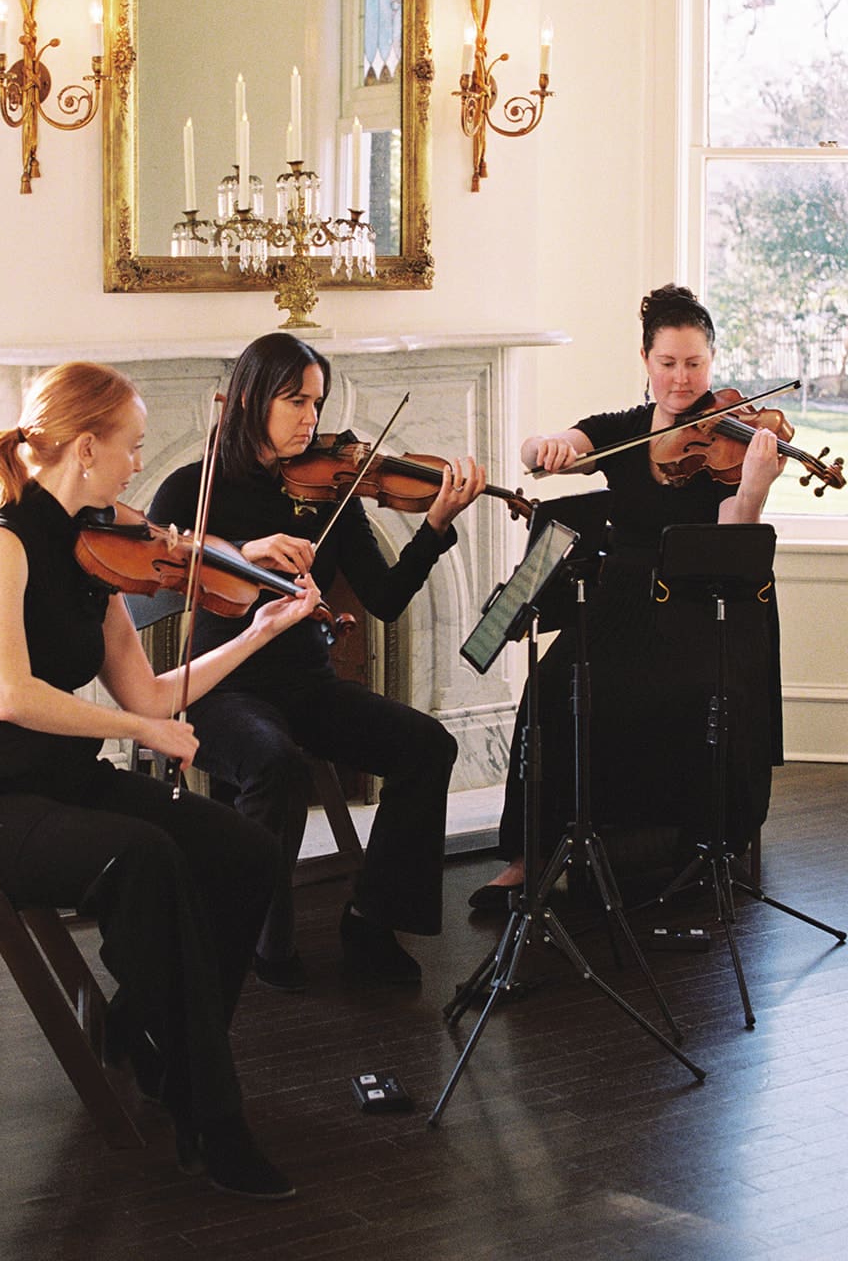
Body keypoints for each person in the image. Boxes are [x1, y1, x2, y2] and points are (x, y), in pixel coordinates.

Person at [0, 360, 323, 1199]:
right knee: (145, 855)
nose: (140, 466)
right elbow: (8, 693)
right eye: (132, 448)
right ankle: (210, 1116)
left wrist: (260, 628)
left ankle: (158, 1038)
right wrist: (137, 732)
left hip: (63, 784)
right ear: (84, 447)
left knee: (245, 851)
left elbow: (151, 692)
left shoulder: (92, 552)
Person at [149, 332, 485, 991]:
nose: (311, 420)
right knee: (271, 761)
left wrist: (437, 529)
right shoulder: (194, 484)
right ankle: (265, 945)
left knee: (427, 746)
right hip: (220, 689)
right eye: (295, 402)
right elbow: (161, 568)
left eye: (317, 403)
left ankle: (370, 918)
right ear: (251, 400)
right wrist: (245, 551)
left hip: (306, 684)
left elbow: (386, 598)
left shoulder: (332, 488)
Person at [469, 283, 786, 914]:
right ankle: (528, 858)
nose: (681, 378)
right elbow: (544, 450)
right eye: (668, 363)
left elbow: (733, 541)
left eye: (694, 363)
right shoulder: (621, 431)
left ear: (712, 361)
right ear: (645, 360)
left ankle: (695, 847)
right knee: (552, 686)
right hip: (618, 603)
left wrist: (752, 489)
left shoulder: (734, 440)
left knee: (697, 693)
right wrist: (546, 447)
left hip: (698, 603)